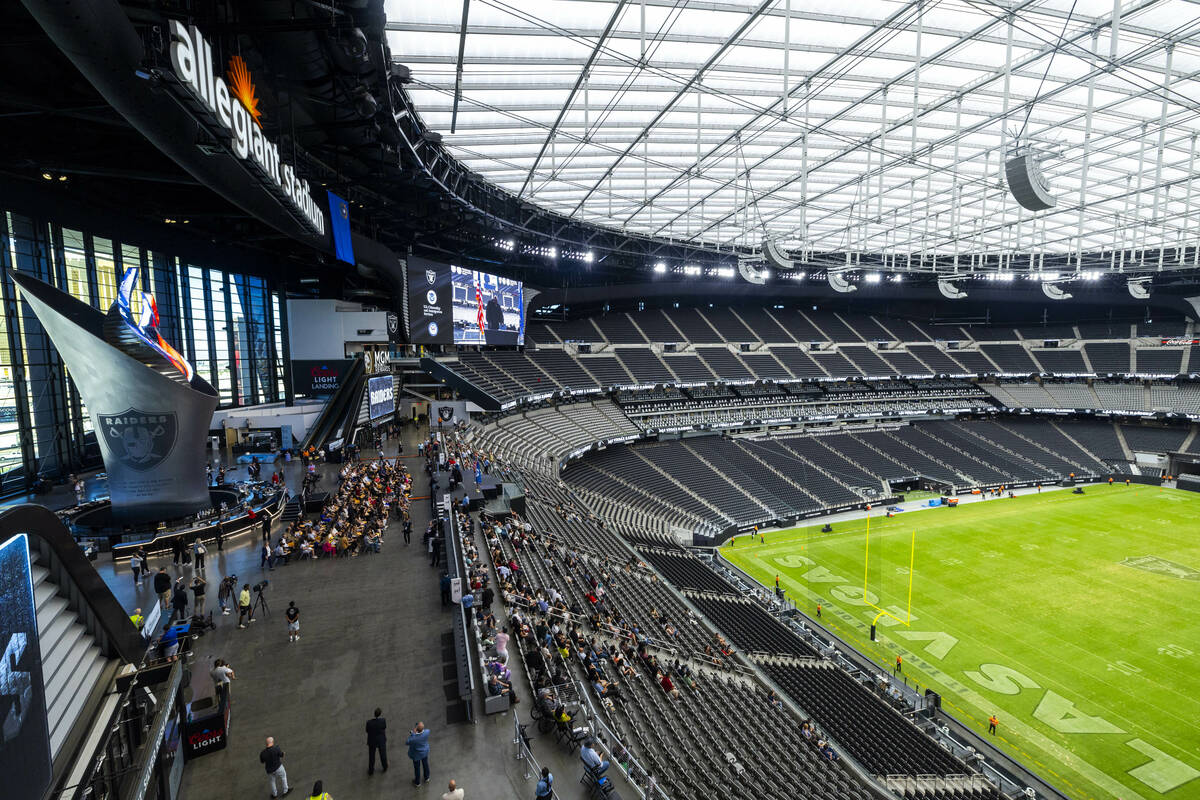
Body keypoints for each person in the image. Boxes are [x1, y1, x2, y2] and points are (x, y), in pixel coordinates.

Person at [406, 721, 431, 786]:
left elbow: (407, 742)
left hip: (416, 755)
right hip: (424, 752)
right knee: (425, 764)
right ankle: (427, 777)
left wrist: (413, 733)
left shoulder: (413, 738)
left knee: (417, 768)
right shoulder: (427, 732)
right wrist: (417, 731)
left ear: (416, 729)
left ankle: (417, 782)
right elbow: (422, 732)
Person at [366, 707, 388, 775]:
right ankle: (385, 767)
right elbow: (384, 727)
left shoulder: (369, 722)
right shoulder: (383, 720)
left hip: (372, 740)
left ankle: (371, 770)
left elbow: (367, 730)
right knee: (383, 754)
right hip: (381, 739)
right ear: (380, 714)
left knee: (371, 756)